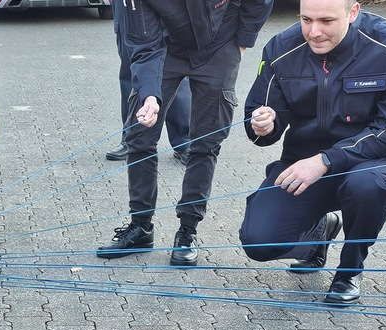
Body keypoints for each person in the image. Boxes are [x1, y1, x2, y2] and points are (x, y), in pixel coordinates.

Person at [239, 0, 386, 305]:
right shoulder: (281, 47)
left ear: (352, 13)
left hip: (371, 159)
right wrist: (263, 125)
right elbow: (260, 114)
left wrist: (326, 160)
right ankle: (317, 237)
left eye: (326, 21)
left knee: (366, 186)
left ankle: (350, 270)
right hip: (303, 163)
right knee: (258, 243)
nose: (314, 32)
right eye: (306, 19)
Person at [96, 0, 271, 266]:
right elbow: (144, 45)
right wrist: (150, 95)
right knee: (140, 135)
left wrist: (242, 42)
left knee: (205, 143)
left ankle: (188, 231)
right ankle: (140, 227)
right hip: (165, 46)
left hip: (221, 43)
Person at [105, 6, 191, 165]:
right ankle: (132, 138)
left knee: (175, 67)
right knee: (131, 71)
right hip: (127, 6)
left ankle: (183, 140)